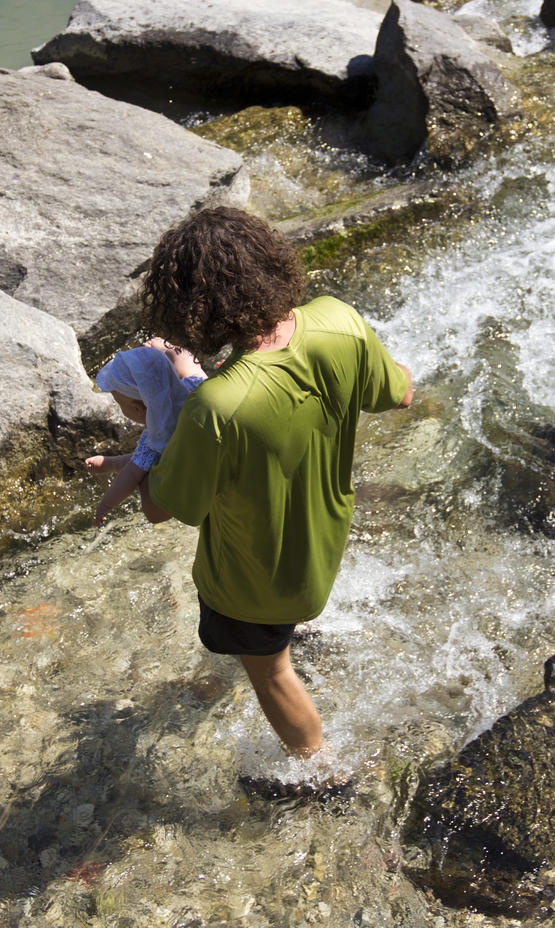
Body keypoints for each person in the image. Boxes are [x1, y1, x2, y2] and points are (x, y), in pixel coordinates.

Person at [138, 206, 413, 761]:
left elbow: (160, 507)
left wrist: (155, 431)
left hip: (252, 583)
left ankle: (322, 774)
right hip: (323, 542)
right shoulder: (339, 320)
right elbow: (401, 392)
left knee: (272, 673)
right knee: (273, 642)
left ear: (193, 308)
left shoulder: (218, 406)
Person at [86, 340, 206, 526]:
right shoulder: (194, 389)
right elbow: (188, 361)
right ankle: (110, 463)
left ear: (138, 408)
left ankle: (111, 463)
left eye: (120, 403)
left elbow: (130, 477)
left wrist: (106, 504)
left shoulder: (157, 436)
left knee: (143, 464)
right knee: (145, 460)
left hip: (189, 490)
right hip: (213, 466)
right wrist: (165, 347)